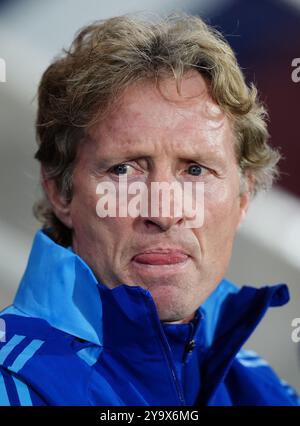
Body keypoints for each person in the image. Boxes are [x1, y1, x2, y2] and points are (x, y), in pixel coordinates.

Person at [0, 13, 299, 406]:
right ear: (61, 191)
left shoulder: (265, 392)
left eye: (195, 169)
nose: (163, 211)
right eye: (124, 169)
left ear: (244, 197)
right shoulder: (12, 385)